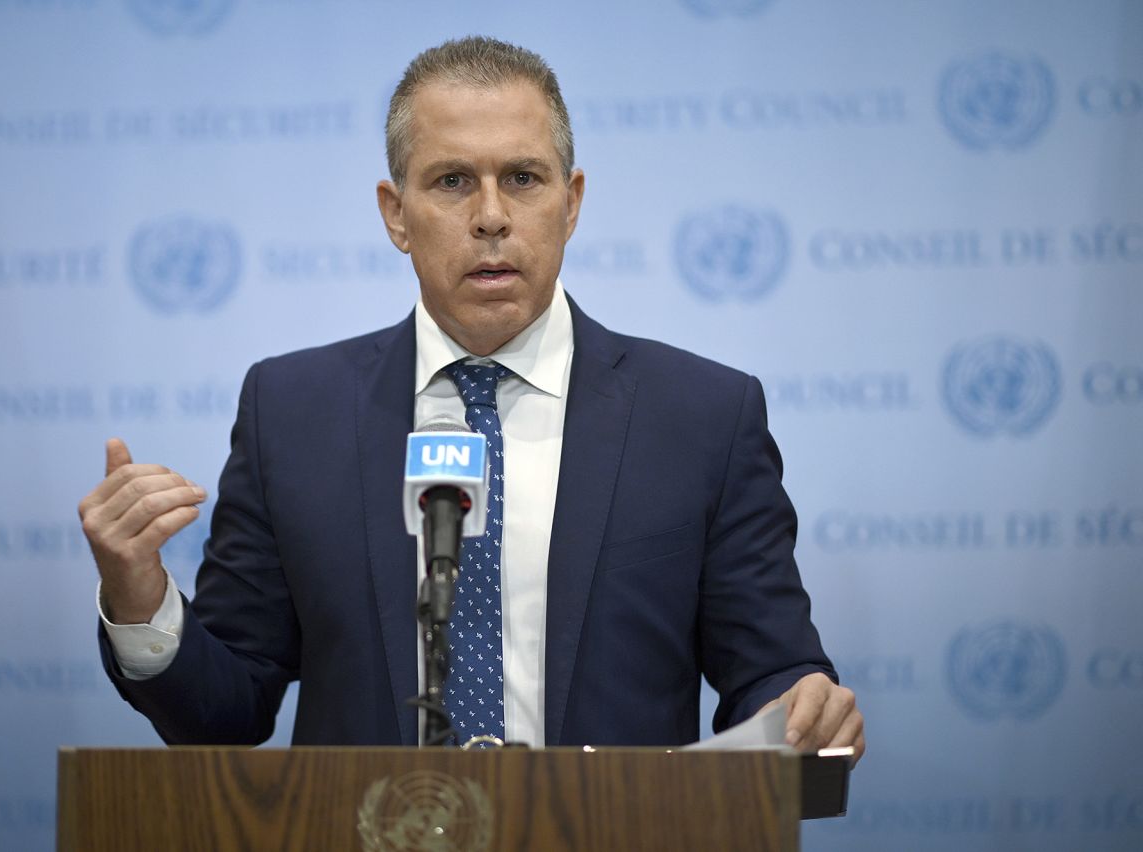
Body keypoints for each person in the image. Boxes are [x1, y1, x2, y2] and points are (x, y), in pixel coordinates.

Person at [80, 36, 864, 757]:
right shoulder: (291, 412)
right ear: (396, 214)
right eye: (453, 182)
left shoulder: (701, 416)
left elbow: (770, 675)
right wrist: (142, 599)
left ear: (572, 201)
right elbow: (227, 713)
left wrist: (803, 708)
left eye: (522, 179)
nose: (491, 217)